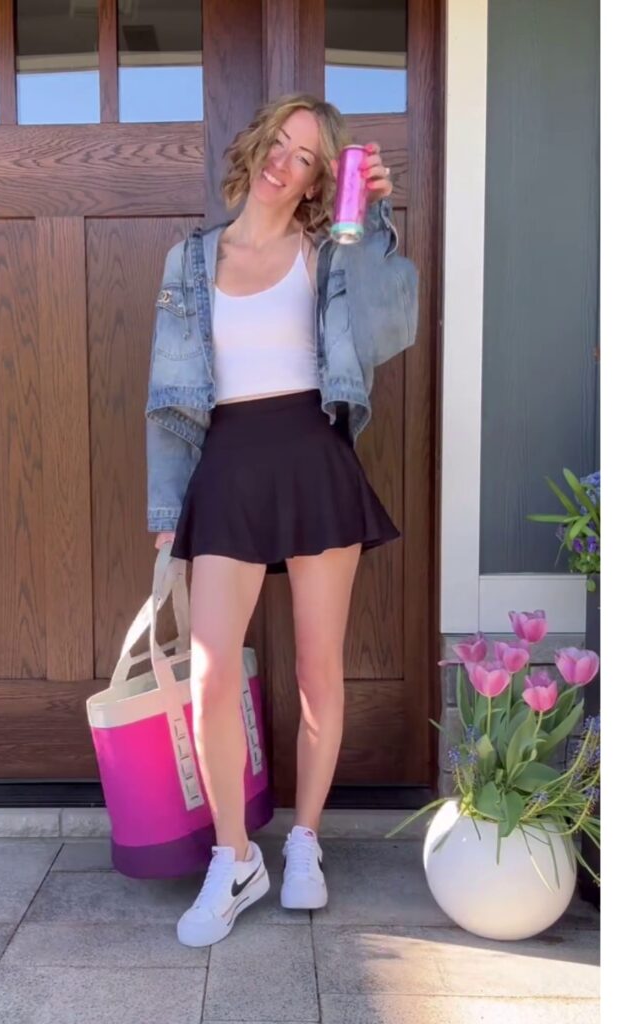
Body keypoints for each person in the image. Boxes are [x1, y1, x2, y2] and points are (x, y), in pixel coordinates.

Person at [145, 92, 419, 948]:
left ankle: (303, 840)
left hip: (310, 457)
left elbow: (387, 325)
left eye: (306, 156)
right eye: (280, 142)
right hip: (224, 464)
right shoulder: (190, 261)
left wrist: (371, 218)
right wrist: (166, 510)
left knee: (315, 671)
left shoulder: (328, 249)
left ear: (314, 181)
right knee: (213, 673)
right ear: (257, 145)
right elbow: (165, 398)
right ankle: (233, 858)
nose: (284, 161)